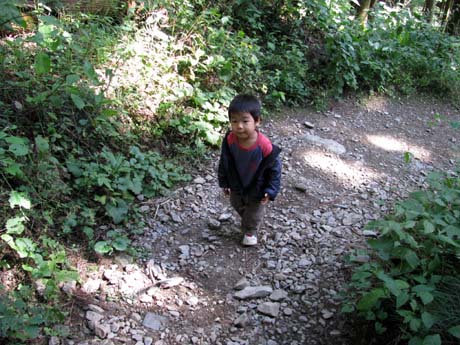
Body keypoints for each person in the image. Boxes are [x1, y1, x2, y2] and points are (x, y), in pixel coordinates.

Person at [218, 94, 282, 246]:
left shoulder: (264, 146)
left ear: (257, 121)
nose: (239, 126)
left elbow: (275, 169)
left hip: (257, 184)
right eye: (234, 121)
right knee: (235, 202)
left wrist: (271, 190)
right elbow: (224, 161)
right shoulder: (230, 140)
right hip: (237, 182)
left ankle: (250, 231)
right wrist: (224, 182)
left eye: (245, 121)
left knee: (254, 208)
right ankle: (248, 219)